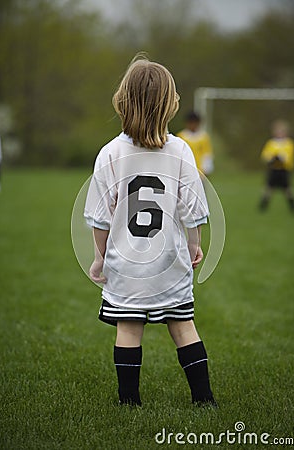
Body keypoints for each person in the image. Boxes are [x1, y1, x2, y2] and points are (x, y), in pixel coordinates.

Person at [84, 55, 217, 408]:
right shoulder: (181, 150)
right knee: (183, 325)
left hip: (126, 264)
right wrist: (194, 245)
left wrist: (100, 257)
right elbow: (194, 209)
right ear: (169, 104)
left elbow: (100, 218)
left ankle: (129, 402)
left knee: (128, 328)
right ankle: (203, 400)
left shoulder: (110, 153)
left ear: (123, 100)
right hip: (169, 262)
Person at [259, 119, 294, 212]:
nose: (279, 133)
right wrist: (271, 159)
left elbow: (288, 157)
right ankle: (262, 207)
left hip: (284, 170)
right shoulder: (271, 143)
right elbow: (265, 155)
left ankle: (293, 207)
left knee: (287, 189)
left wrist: (281, 158)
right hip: (273, 169)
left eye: (281, 131)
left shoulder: (289, 143)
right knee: (268, 188)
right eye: (277, 131)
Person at [177, 111, 214, 176]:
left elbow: (206, 154)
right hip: (185, 171)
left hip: (200, 172)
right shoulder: (181, 136)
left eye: (195, 123)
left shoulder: (203, 137)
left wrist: (207, 169)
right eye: (191, 123)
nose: (193, 125)